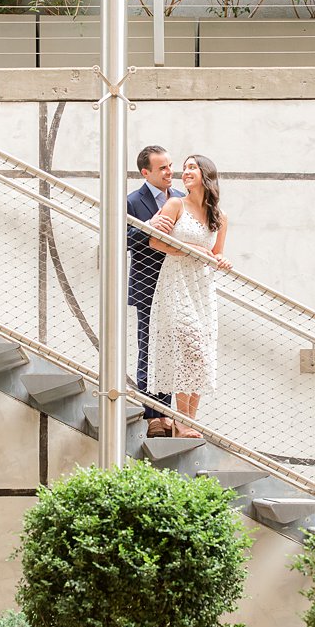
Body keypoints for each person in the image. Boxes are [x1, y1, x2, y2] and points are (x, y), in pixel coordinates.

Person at [146, 154, 231, 439]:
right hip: (176, 282)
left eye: (192, 167)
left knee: (200, 355)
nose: (185, 172)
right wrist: (190, 250)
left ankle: (187, 423)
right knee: (188, 346)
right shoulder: (174, 204)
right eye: (184, 169)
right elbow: (155, 241)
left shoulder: (219, 217)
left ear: (206, 174)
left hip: (202, 288)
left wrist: (221, 261)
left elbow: (216, 254)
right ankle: (180, 422)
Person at [127, 144, 183, 437]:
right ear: (145, 172)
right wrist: (148, 226)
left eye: (170, 165)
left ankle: (171, 413)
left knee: (174, 351)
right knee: (148, 348)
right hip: (148, 285)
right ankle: (153, 415)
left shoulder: (185, 200)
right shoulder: (133, 201)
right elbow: (122, 240)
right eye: (162, 168)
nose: (169, 172)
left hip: (179, 286)